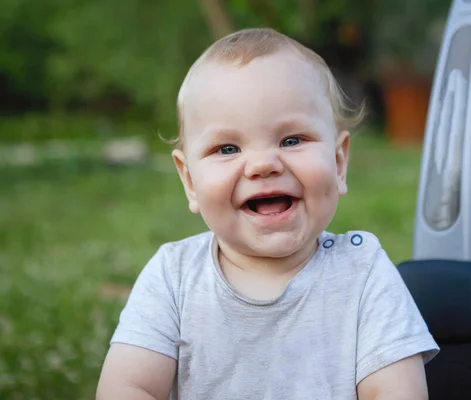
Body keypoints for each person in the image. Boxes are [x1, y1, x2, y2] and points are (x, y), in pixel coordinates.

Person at [96, 27, 439, 400]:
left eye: (292, 140)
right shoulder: (174, 278)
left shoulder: (364, 274)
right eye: (227, 148)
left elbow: (397, 392)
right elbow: (128, 386)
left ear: (338, 163)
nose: (262, 165)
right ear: (190, 181)